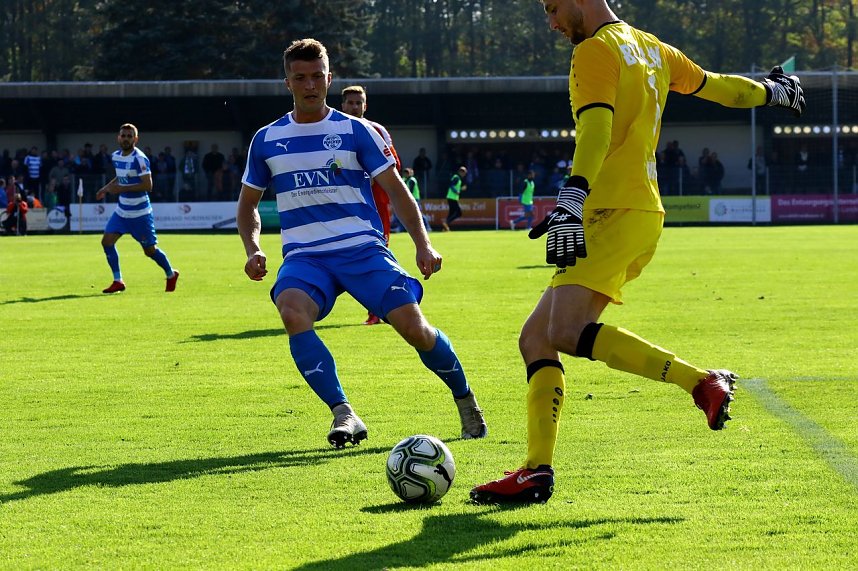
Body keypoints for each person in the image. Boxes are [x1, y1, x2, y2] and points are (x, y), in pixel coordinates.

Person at [470, 0, 805, 505]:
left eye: (554, 8)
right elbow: (720, 87)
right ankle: (536, 471)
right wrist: (772, 91)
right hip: (639, 210)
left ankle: (700, 381)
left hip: (609, 210)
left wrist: (572, 198)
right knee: (536, 337)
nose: (552, 22)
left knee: (562, 332)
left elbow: (597, 130)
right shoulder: (651, 48)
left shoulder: (595, 50)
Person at [236, 38, 487, 449]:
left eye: (318, 76)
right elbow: (247, 205)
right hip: (306, 255)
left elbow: (398, 190)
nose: (311, 84)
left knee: (415, 328)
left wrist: (423, 244)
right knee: (292, 312)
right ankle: (344, 413)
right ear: (288, 83)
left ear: (329, 78)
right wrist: (254, 249)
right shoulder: (266, 139)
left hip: (361, 248)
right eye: (301, 77)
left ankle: (465, 401)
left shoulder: (356, 131)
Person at [340, 84, 402, 325]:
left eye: (358, 103)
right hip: (343, 205)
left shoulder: (376, 130)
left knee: (377, 253)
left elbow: (392, 165)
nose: (354, 107)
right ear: (342, 105)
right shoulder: (331, 130)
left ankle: (380, 309)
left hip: (374, 205)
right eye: (350, 103)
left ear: (365, 106)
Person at [96, 123, 179, 294]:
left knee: (149, 251)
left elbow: (148, 185)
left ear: (136, 139)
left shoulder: (140, 158)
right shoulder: (116, 156)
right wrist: (106, 188)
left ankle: (171, 274)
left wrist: (121, 189)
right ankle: (118, 280)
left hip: (140, 214)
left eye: (129, 136)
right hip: (122, 212)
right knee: (106, 242)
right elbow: (120, 178)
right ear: (118, 138)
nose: (126, 139)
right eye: (123, 135)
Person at [442, 166, 467, 231]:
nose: (464, 175)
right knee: (459, 213)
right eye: (464, 173)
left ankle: (445, 227)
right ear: (461, 172)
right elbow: (451, 185)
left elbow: (456, 187)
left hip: (452, 197)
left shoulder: (457, 178)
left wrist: (461, 189)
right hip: (452, 197)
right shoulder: (456, 178)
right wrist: (456, 191)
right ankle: (446, 223)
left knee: (451, 212)